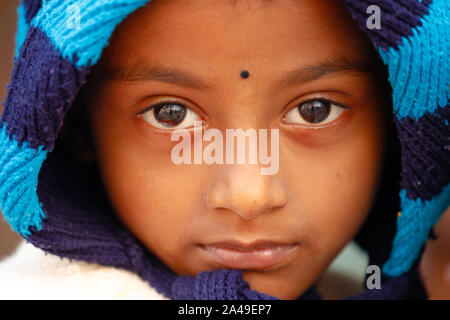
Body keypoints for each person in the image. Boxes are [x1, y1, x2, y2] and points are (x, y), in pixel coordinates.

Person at [0, 0, 448, 299]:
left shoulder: (347, 285)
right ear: (75, 128)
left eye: (314, 110)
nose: (249, 196)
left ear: (398, 126)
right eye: (171, 115)